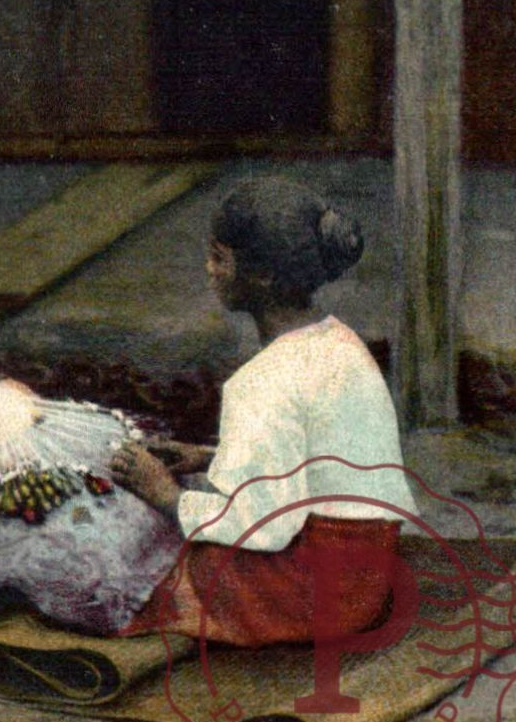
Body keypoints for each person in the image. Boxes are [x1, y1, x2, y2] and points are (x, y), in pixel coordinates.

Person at [109, 177, 420, 647]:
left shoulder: (261, 381)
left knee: (166, 566)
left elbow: (261, 526)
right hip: (370, 578)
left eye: (219, 258)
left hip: (319, 595)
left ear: (262, 276)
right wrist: (210, 456)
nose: (209, 270)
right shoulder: (341, 342)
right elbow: (311, 460)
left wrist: (166, 495)